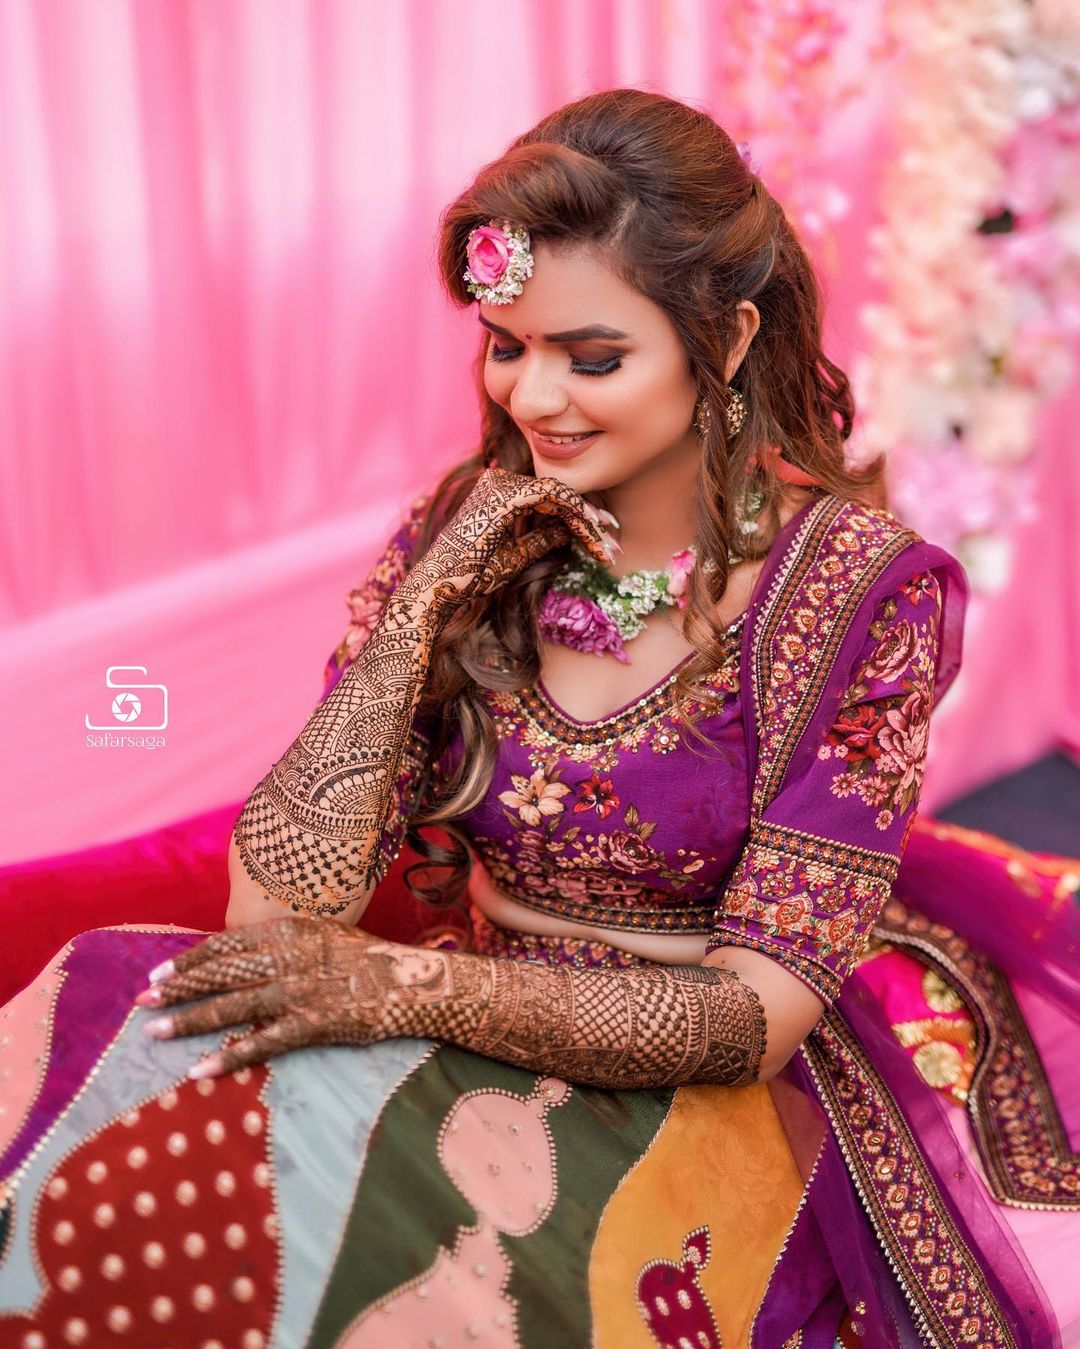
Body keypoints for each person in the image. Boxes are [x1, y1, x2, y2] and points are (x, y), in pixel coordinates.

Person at [1, 86, 1078, 1349]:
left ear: (724, 342)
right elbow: (277, 919)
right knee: (121, 1013)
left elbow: (750, 1015)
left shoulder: (854, 596)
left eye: (594, 355)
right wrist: (424, 610)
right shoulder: (472, 526)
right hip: (463, 1030)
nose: (536, 399)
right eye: (508, 346)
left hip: (717, 1088)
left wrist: (407, 986)